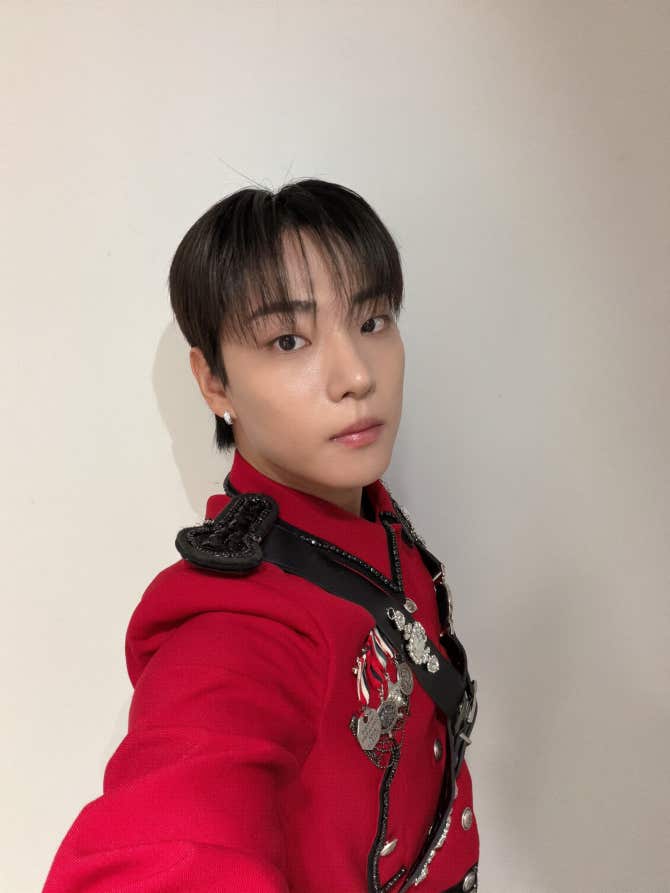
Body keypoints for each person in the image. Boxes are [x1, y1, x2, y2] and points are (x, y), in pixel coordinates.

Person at [42, 178, 479, 892]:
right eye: (288, 340)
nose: (356, 375)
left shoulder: (367, 514)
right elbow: (167, 846)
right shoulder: (238, 621)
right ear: (214, 383)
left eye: (372, 320)